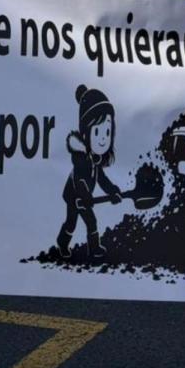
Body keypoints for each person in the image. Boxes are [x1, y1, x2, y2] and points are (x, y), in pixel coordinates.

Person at [56, 85, 122, 261]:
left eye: (107, 132)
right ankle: (62, 243)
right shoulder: (81, 158)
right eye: (97, 131)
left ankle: (94, 248)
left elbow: (102, 179)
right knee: (72, 223)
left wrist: (113, 191)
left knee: (90, 221)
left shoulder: (95, 160)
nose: (103, 138)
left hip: (85, 197)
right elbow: (79, 180)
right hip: (74, 196)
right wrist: (84, 195)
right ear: (85, 133)